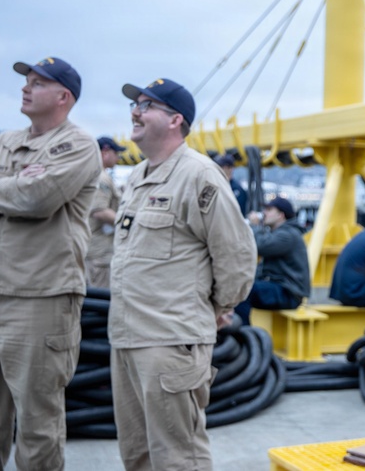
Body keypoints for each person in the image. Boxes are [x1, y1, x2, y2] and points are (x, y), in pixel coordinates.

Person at [108, 78, 257, 470]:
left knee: (177, 458)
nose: (135, 112)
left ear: (176, 120)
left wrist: (215, 308)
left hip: (171, 340)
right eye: (134, 105)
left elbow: (237, 256)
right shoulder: (137, 178)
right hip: (127, 337)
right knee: (137, 454)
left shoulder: (199, 176)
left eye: (146, 105)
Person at [0, 57, 101, 470]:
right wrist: (9, 189)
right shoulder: (0, 144)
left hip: (41, 299)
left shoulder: (78, 146)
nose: (26, 88)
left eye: (38, 83)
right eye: (26, 81)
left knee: (37, 420)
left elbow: (38, 198)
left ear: (63, 97)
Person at [236, 196, 310, 325]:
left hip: (288, 293)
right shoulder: (279, 234)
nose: (264, 213)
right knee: (239, 287)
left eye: (269, 210)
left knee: (243, 291)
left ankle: (242, 335)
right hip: (279, 288)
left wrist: (254, 226)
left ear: (281, 215)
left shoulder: (288, 235)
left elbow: (259, 246)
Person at [87, 136, 127, 289]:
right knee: (100, 297)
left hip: (95, 249)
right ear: (105, 152)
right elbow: (100, 211)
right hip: (98, 253)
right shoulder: (101, 177)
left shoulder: (94, 174)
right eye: (116, 153)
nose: (118, 158)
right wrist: (127, 224)